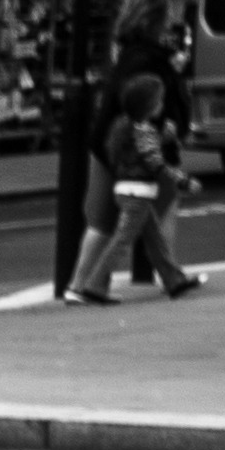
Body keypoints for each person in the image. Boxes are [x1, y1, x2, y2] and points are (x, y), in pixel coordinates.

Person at [77, 68, 203, 304]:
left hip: (126, 189)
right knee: (122, 241)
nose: (161, 105)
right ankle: (94, 286)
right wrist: (184, 181)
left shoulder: (122, 126)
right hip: (138, 193)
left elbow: (131, 152)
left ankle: (174, 281)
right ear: (150, 105)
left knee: (155, 240)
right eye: (159, 100)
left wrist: (161, 137)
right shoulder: (144, 131)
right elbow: (155, 163)